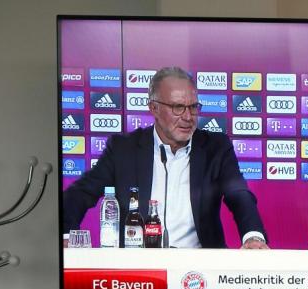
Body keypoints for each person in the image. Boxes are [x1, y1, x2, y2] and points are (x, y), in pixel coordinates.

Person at [63, 67, 268, 249]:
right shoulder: (123, 149)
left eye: (193, 107)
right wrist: (66, 235)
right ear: (154, 108)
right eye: (178, 107)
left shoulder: (216, 147)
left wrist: (253, 236)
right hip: (139, 269)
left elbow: (239, 194)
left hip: (200, 268)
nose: (188, 117)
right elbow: (81, 193)